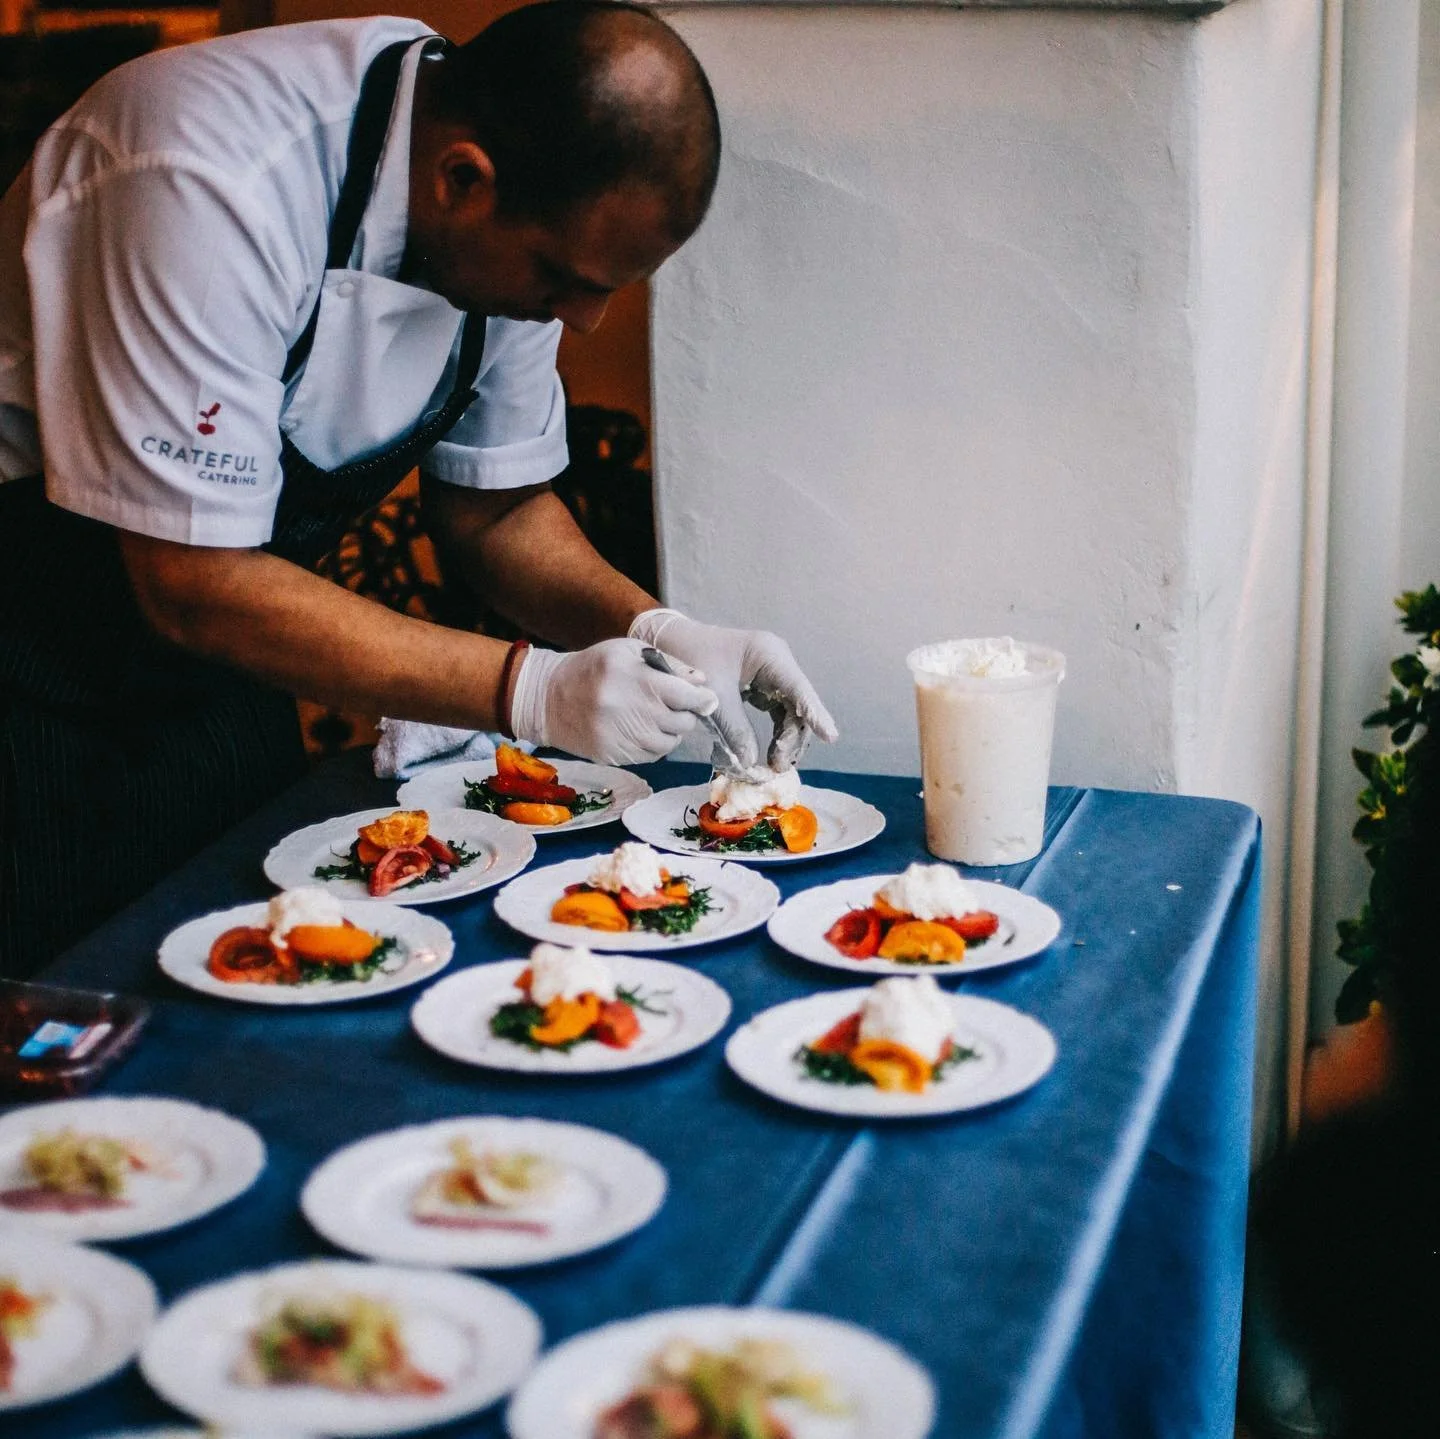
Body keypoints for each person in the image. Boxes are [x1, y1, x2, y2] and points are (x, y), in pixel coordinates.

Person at [0, 1, 836, 978]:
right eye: (567, 279)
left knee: (267, 985)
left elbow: (499, 511)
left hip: (227, 683)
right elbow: (193, 577)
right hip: (31, 671)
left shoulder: (509, 191)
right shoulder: (203, 175)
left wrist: (660, 628)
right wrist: (533, 689)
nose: (589, 319)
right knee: (60, 1047)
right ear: (460, 181)